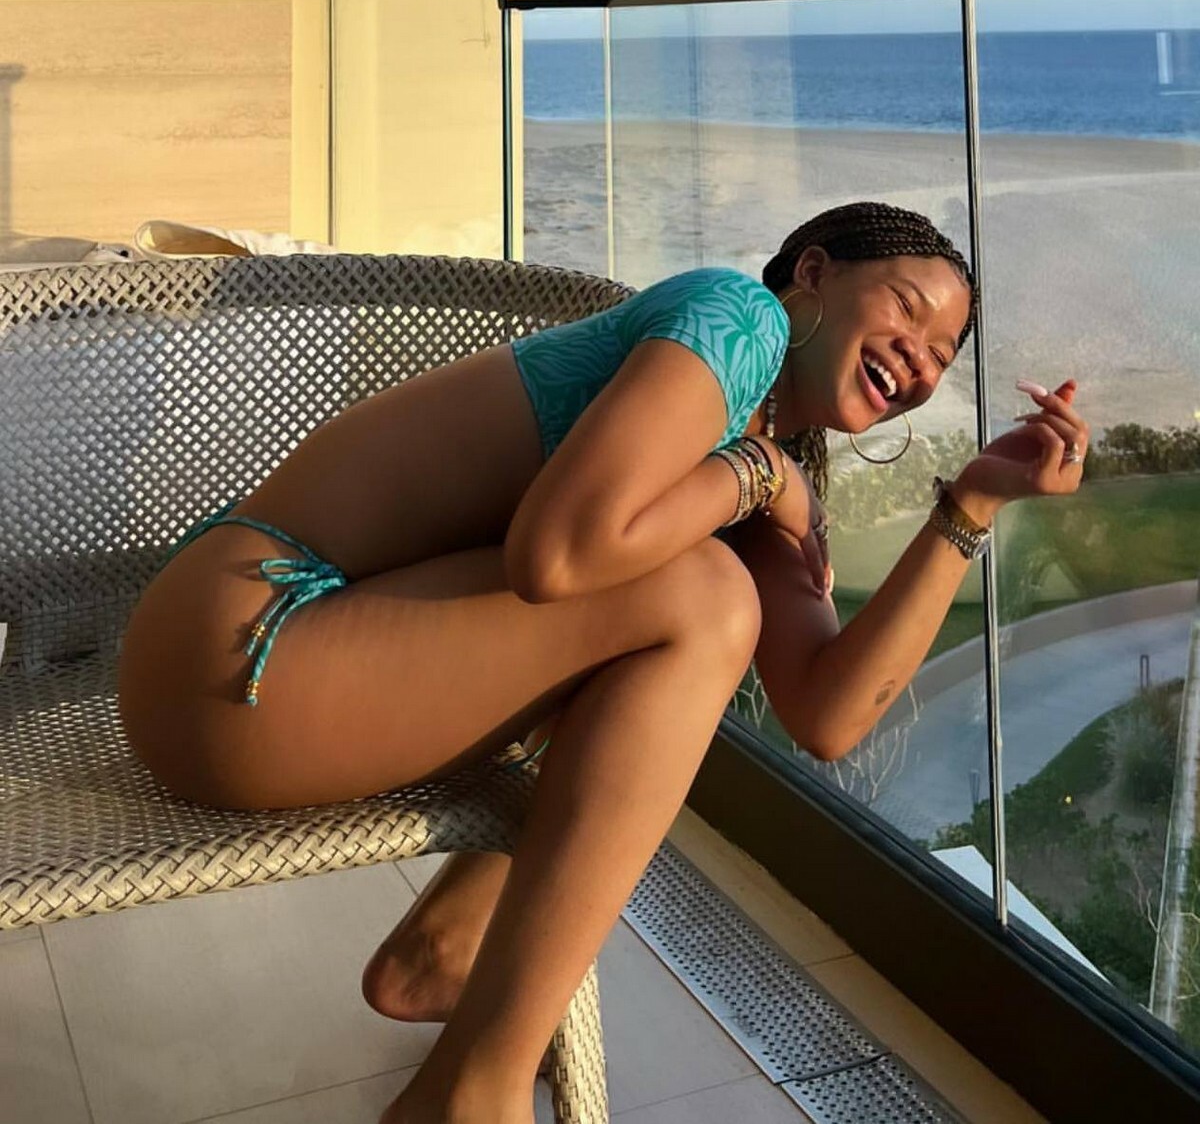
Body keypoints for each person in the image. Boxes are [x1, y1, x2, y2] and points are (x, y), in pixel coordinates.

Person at [116, 200, 1089, 1124]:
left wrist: (971, 504)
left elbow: (829, 714)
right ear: (814, 273)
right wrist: (758, 477)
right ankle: (472, 1091)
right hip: (239, 641)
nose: (918, 358)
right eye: (908, 310)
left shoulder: (757, 451)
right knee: (705, 597)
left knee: (693, 599)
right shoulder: (736, 319)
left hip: (283, 674)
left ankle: (447, 950)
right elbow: (559, 555)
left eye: (940, 357)